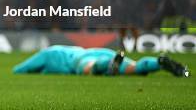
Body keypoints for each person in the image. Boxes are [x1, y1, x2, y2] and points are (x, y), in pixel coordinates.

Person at [13, 45, 190, 77]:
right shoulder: (64, 49)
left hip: (81, 59)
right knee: (135, 67)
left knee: (88, 68)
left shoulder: (49, 53)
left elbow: (23, 68)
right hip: (102, 52)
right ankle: (158, 62)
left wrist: (17, 70)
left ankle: (109, 65)